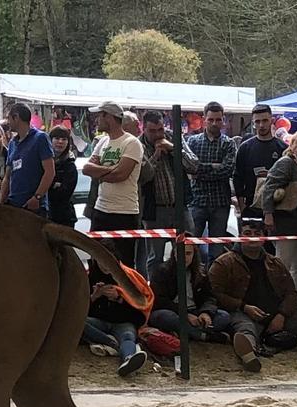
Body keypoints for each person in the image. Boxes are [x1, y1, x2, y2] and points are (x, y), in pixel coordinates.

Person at [209, 220, 297, 372]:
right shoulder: (223, 263)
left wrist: (281, 315)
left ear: (264, 237)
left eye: (257, 234)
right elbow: (215, 294)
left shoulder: (276, 263)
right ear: (240, 236)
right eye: (247, 233)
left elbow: (291, 293)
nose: (252, 237)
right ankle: (249, 356)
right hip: (242, 313)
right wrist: (244, 307)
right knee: (245, 329)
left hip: (277, 314)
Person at [137, 111, 199, 280]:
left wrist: (173, 149)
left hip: (180, 207)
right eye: (152, 131)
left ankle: (187, 289)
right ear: (143, 129)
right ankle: (156, 291)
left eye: (160, 129)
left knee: (187, 251)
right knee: (155, 257)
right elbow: (142, 176)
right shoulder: (138, 145)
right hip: (154, 211)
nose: (158, 135)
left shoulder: (173, 138)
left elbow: (194, 165)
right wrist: (156, 156)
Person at [82, 101, 144, 267]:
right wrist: (111, 169)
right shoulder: (102, 142)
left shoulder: (131, 143)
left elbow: (121, 175)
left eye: (99, 116)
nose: (96, 120)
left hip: (124, 212)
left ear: (108, 117)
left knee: (123, 263)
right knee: (96, 260)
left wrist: (100, 173)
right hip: (100, 209)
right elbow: (87, 169)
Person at [259, 130, 297, 302]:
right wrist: (268, 214)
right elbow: (269, 188)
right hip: (285, 221)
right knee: (282, 263)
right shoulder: (286, 163)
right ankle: (276, 299)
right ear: (291, 145)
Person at [186, 102, 237, 263]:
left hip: (220, 202)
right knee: (190, 248)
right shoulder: (192, 142)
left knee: (217, 252)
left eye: (218, 119)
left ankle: (213, 279)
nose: (215, 123)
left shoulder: (229, 143)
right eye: (211, 119)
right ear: (204, 119)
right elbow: (189, 168)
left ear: (223, 120)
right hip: (197, 201)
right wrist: (213, 167)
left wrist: (199, 170)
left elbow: (227, 170)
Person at [147, 245, 230, 343]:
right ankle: (203, 335)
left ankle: (185, 332)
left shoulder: (201, 272)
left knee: (224, 316)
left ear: (194, 255)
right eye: (180, 253)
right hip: (174, 311)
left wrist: (206, 313)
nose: (184, 257)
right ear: (174, 254)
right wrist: (185, 314)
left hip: (196, 311)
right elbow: (160, 301)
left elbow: (210, 297)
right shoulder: (162, 271)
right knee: (163, 316)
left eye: (188, 253)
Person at [82, 259, 150, 377]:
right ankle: (113, 345)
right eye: (102, 261)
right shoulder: (89, 277)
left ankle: (128, 358)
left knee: (128, 336)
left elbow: (139, 315)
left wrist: (120, 299)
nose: (105, 265)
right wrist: (94, 297)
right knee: (78, 323)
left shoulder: (129, 278)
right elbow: (80, 311)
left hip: (123, 323)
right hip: (99, 322)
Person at [0, 103, 55, 217]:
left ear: (16, 117)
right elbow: (7, 176)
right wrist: (0, 203)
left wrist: (37, 197)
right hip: (14, 206)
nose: (8, 122)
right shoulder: (12, 143)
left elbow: (50, 172)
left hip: (34, 207)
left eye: (9, 118)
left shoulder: (40, 138)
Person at [235, 105, 287, 220]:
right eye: (257, 122)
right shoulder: (245, 148)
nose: (261, 125)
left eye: (265, 120)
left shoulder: (283, 148)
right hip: (251, 208)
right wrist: (242, 206)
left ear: (272, 120)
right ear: (253, 123)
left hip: (277, 208)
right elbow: (238, 178)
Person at [47, 127, 78, 227]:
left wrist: (49, 185)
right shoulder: (42, 163)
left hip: (64, 218)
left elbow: (64, 193)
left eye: (64, 139)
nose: (60, 142)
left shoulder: (70, 166)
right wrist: (54, 184)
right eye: (57, 138)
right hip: (44, 215)